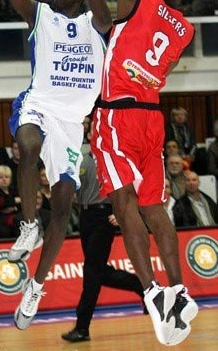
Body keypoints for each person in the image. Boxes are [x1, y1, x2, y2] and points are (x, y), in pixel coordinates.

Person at [45, 0, 197, 346]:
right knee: (156, 209)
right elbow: (112, 24)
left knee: (124, 202)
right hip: (154, 117)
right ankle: (177, 288)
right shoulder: (183, 30)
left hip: (118, 116)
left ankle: (152, 290)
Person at [0, 0, 111, 330]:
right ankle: (28, 226)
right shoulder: (40, 16)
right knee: (26, 145)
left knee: (62, 206)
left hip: (71, 123)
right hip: (39, 104)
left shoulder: (95, 25)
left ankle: (36, 287)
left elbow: (105, 12)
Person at [62, 143, 145, 343]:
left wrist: (123, 212)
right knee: (99, 271)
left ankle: (82, 326)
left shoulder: (115, 155)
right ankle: (142, 285)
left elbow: (134, 183)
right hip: (85, 214)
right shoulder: (79, 153)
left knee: (92, 271)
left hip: (104, 215)